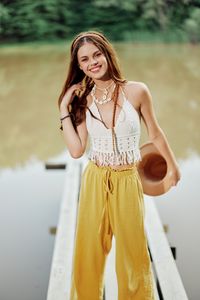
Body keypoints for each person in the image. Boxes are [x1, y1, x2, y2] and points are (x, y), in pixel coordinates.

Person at [58, 31, 181, 300]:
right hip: (95, 179)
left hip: (128, 179)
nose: (93, 62)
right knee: (89, 251)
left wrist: (173, 165)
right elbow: (77, 150)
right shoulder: (82, 101)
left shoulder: (137, 91)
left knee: (133, 254)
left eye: (97, 54)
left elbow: (156, 134)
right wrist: (64, 107)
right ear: (79, 66)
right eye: (85, 59)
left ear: (107, 54)